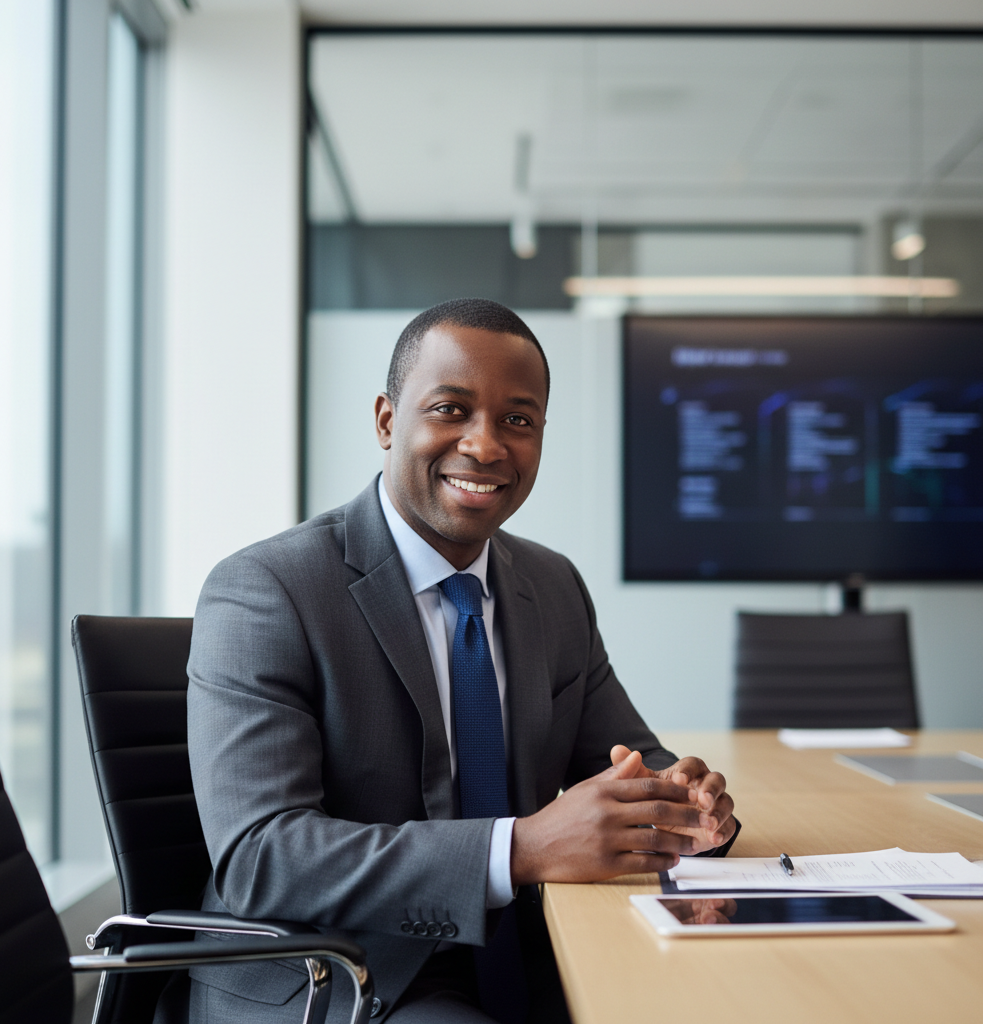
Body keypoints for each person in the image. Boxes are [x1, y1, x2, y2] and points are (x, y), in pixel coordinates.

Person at [180, 299, 738, 1024]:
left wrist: (684, 805)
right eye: (450, 409)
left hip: (541, 940)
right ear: (387, 421)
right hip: (351, 971)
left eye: (518, 420)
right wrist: (521, 849)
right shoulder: (268, 589)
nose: (485, 446)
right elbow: (263, 856)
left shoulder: (553, 584)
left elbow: (629, 761)